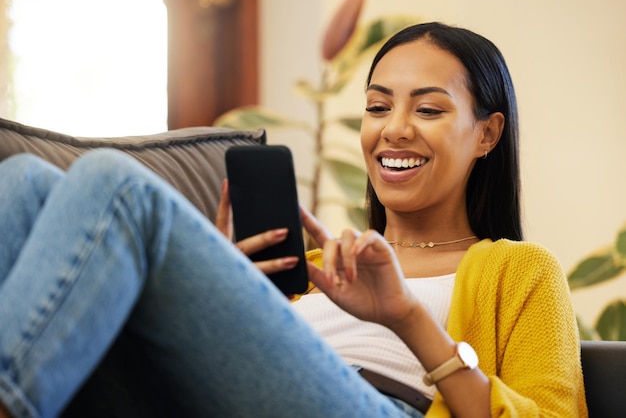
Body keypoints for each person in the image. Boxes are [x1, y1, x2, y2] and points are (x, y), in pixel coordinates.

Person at [0, 21, 586, 418]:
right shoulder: (305, 270)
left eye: (428, 109)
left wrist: (406, 317)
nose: (395, 128)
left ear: (487, 133)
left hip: (382, 403)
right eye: (378, 106)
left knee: (114, 184)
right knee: (22, 182)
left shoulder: (520, 270)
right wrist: (225, 288)